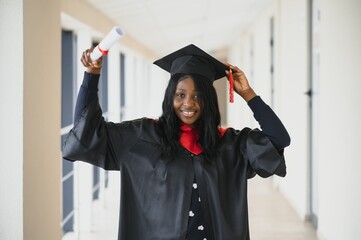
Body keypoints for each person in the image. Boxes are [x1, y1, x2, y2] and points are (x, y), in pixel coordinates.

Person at [63, 44, 290, 240]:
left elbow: (278, 139)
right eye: (180, 95)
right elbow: (88, 133)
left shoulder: (230, 144)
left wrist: (249, 93)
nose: (188, 103)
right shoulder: (142, 136)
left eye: (198, 95)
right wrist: (92, 76)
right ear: (170, 96)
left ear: (209, 100)